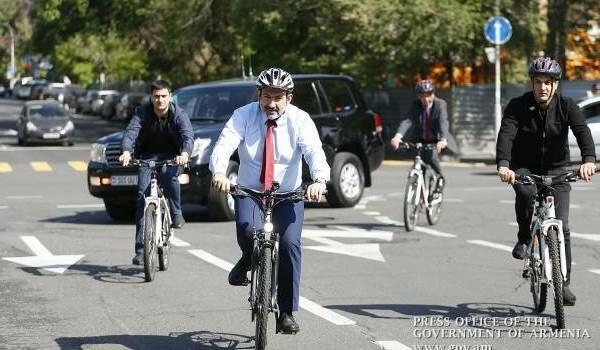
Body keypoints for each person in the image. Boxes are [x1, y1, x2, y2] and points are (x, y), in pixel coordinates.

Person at [209, 67, 330, 334]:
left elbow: (314, 152)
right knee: (247, 230)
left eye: (278, 97)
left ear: (289, 97)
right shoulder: (243, 115)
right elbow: (224, 144)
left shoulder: (301, 120)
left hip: (289, 194)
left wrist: (319, 181)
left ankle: (285, 312)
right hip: (251, 190)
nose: (271, 104)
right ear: (259, 94)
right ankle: (247, 259)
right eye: (266, 96)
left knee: (289, 244)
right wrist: (219, 172)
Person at [496, 56, 596, 306]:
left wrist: (588, 160)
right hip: (525, 167)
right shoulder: (517, 106)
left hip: (558, 168)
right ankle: (524, 236)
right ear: (532, 83)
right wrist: (504, 165)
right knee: (526, 193)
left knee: (563, 226)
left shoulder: (567, 105)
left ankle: (564, 284)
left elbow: (582, 131)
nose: (543, 87)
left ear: (555, 84)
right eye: (538, 82)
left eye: (548, 82)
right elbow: (507, 133)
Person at [119, 80, 194, 265]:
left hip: (172, 156)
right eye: (156, 96)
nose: (160, 100)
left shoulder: (179, 114)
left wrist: (184, 154)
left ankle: (176, 212)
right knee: (141, 196)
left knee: (170, 177)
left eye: (164, 96)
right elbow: (131, 132)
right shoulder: (143, 112)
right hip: (147, 156)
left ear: (170, 96)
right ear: (151, 97)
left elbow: (187, 135)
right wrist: (126, 151)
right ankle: (141, 250)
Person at [390, 79, 449, 194]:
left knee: (432, 160)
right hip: (419, 140)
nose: (425, 99)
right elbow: (407, 120)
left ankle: (440, 180)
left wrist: (443, 139)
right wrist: (398, 137)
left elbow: (443, 122)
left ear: (433, 94)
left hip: (434, 141)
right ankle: (418, 195)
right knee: (418, 167)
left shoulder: (440, 104)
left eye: (428, 95)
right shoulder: (415, 105)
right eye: (422, 96)